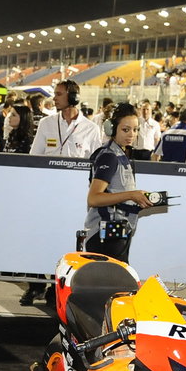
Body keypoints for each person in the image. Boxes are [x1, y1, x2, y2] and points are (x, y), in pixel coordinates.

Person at [80, 103, 156, 262]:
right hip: (105, 236)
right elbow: (94, 198)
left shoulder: (120, 155)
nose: (132, 134)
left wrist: (138, 199)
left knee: (119, 284)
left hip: (117, 232)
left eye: (135, 130)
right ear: (112, 129)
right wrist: (132, 195)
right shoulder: (109, 156)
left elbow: (116, 193)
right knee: (116, 285)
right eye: (125, 129)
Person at [30, 79, 102, 158]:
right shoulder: (45, 123)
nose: (54, 98)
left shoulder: (91, 128)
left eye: (59, 94)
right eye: (55, 94)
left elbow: (96, 161)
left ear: (73, 97)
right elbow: (34, 155)